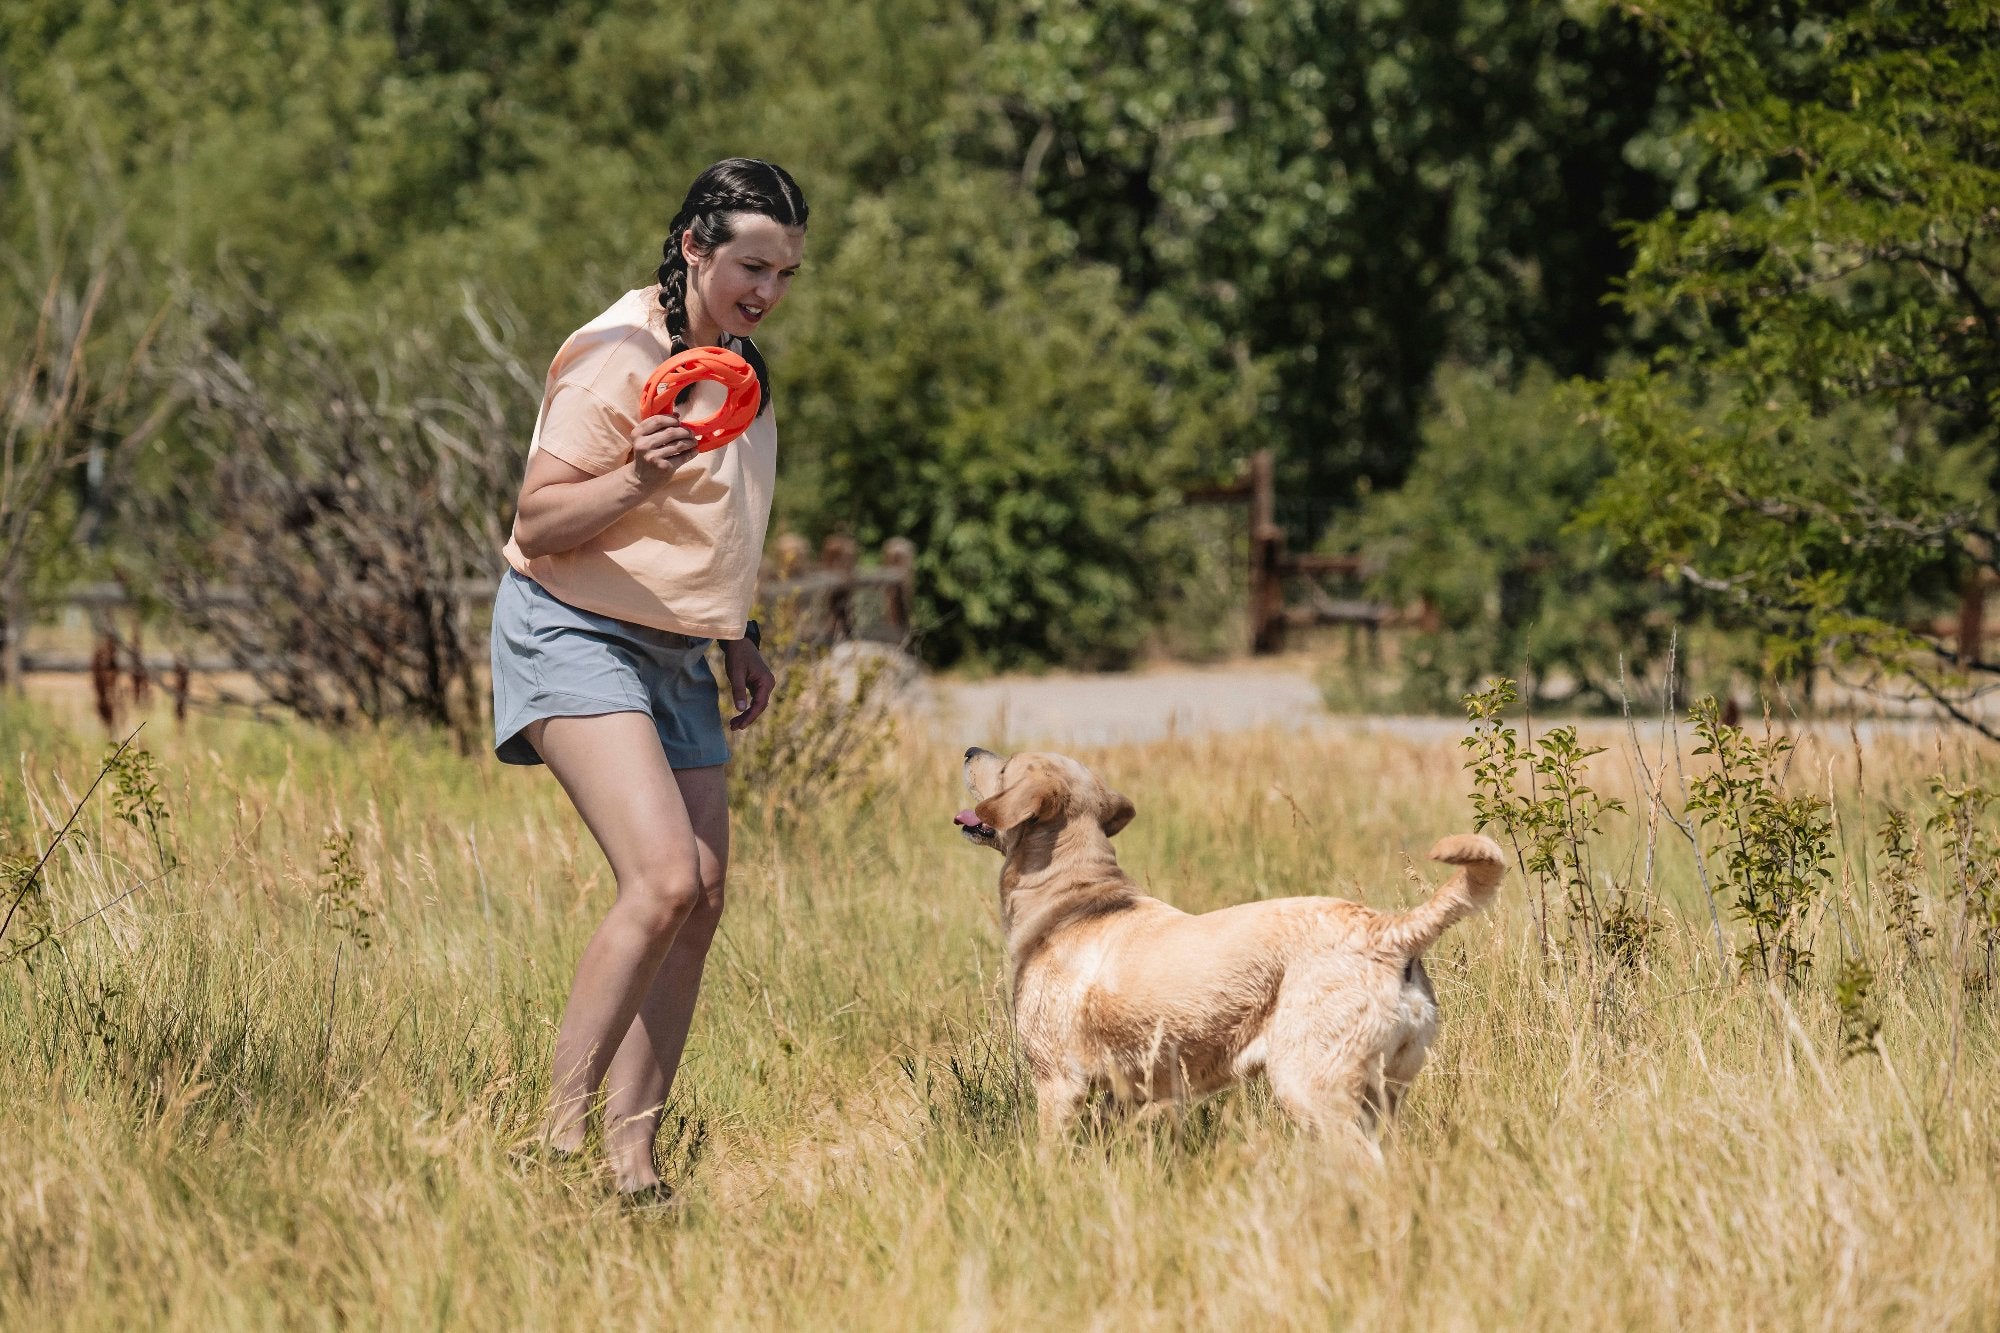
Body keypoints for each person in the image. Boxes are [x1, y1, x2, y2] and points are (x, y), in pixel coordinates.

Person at [490, 157, 807, 1204]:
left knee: (703, 896)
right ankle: (551, 1139)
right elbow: (538, 522)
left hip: (678, 650)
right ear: (692, 248)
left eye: (784, 273)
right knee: (663, 876)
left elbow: (712, 524)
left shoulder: (739, 365)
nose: (764, 290)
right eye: (749, 266)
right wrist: (634, 472)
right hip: (573, 626)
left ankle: (632, 1160)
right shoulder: (617, 352)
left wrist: (739, 633)